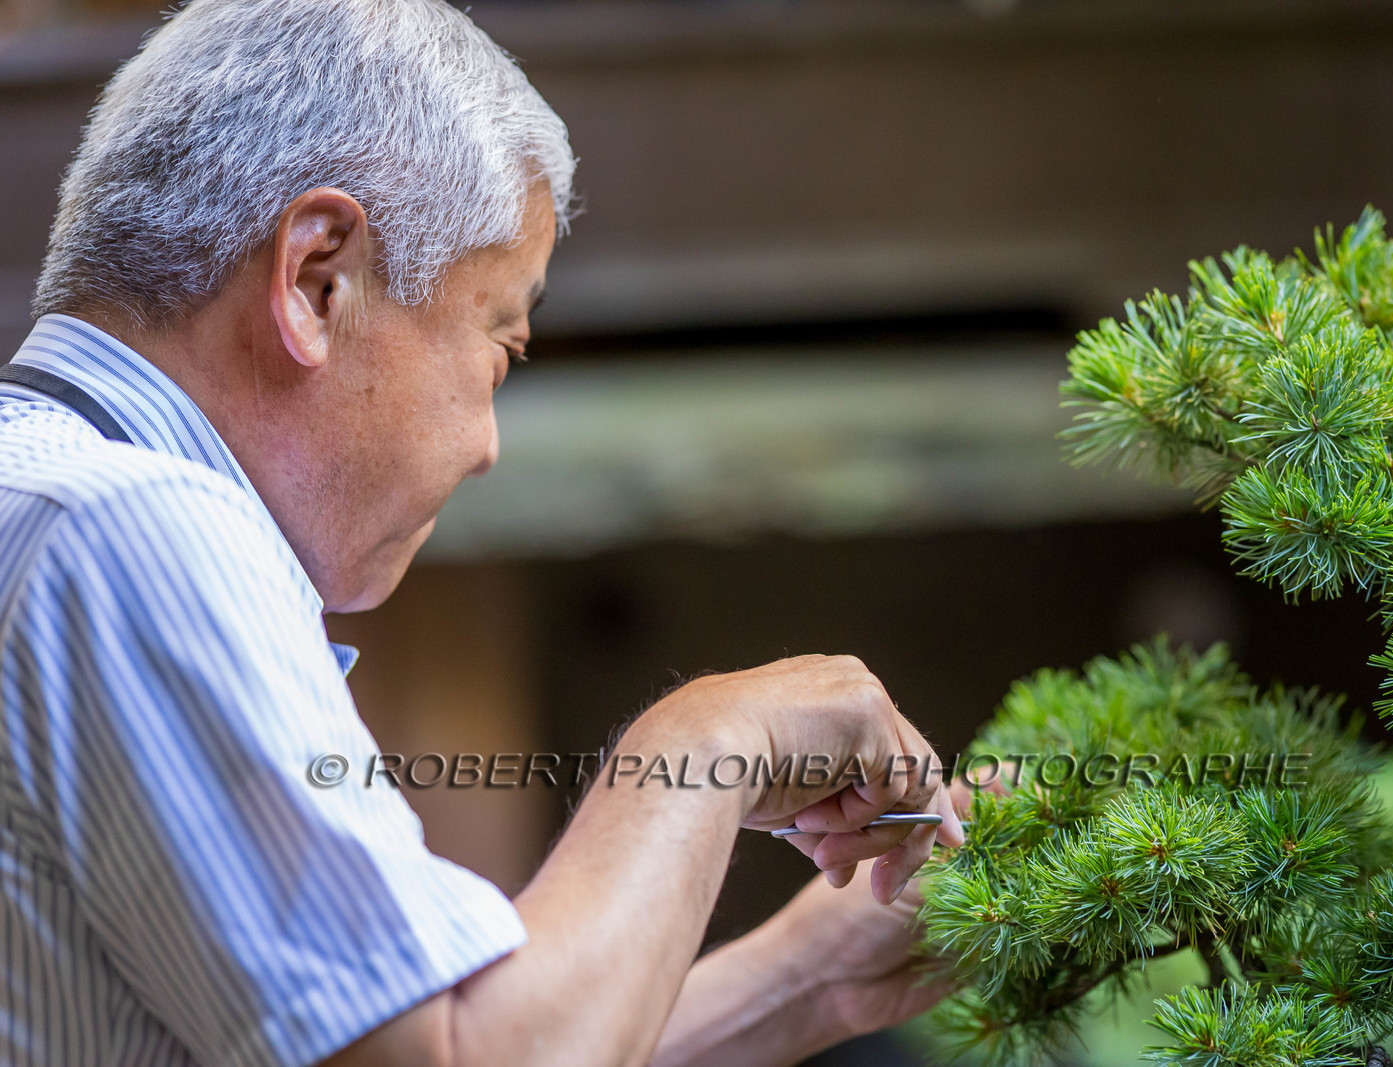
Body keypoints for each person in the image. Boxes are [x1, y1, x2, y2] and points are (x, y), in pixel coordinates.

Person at [0, 2, 966, 1065]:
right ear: (319, 279)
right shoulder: (127, 529)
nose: (487, 446)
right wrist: (704, 740)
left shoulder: (51, 507)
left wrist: (812, 974)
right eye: (497, 344)